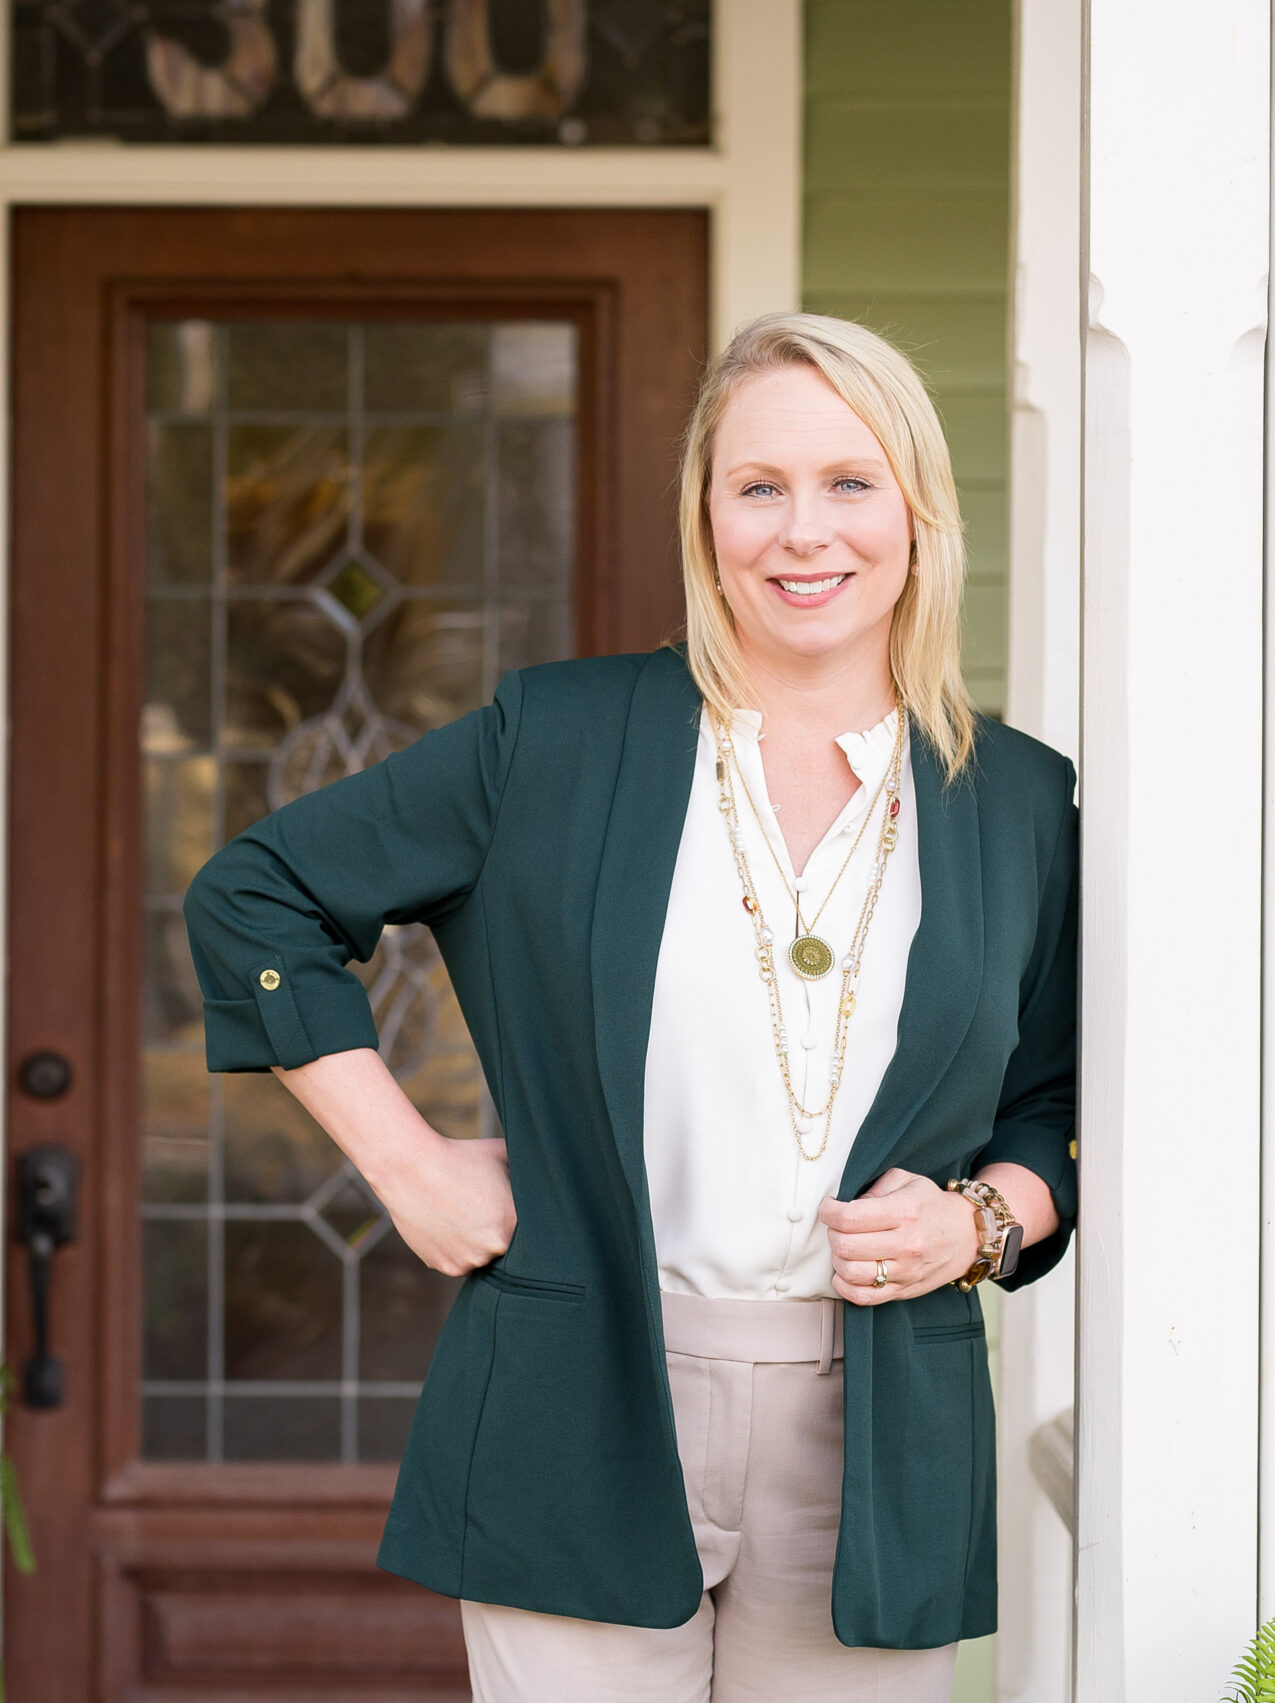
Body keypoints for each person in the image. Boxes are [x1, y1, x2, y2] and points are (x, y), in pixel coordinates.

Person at [184, 312, 1078, 1703]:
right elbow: (257, 898)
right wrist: (407, 1167)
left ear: (918, 509)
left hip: (883, 1429)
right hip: (580, 1392)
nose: (803, 532)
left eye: (850, 482)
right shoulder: (556, 740)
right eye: (758, 486)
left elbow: (1058, 1103)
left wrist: (979, 1224)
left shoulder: (1016, 800)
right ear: (706, 517)